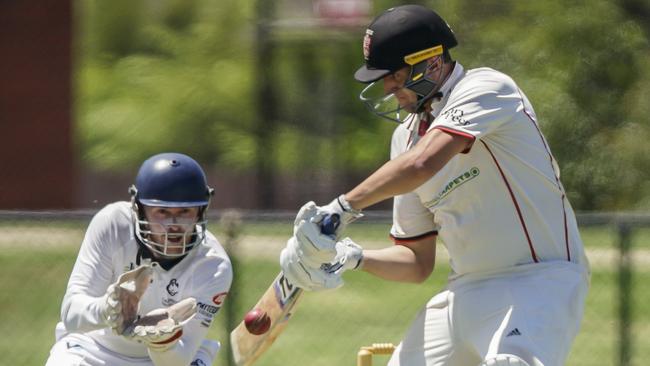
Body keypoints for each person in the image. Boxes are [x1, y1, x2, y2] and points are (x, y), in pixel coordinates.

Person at [280, 4, 590, 366]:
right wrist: (352, 258)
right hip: (465, 292)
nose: (388, 87)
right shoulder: (405, 139)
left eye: (395, 74)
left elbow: (425, 163)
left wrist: (342, 208)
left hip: (540, 281)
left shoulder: (486, 87)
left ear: (431, 61)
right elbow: (416, 262)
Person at [46, 152, 232, 366]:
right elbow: (71, 314)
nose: (174, 223)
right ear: (138, 207)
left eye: (185, 211)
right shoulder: (113, 224)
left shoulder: (214, 265)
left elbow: (179, 360)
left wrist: (163, 341)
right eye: (162, 211)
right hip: (93, 350)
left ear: (201, 211)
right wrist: (109, 310)